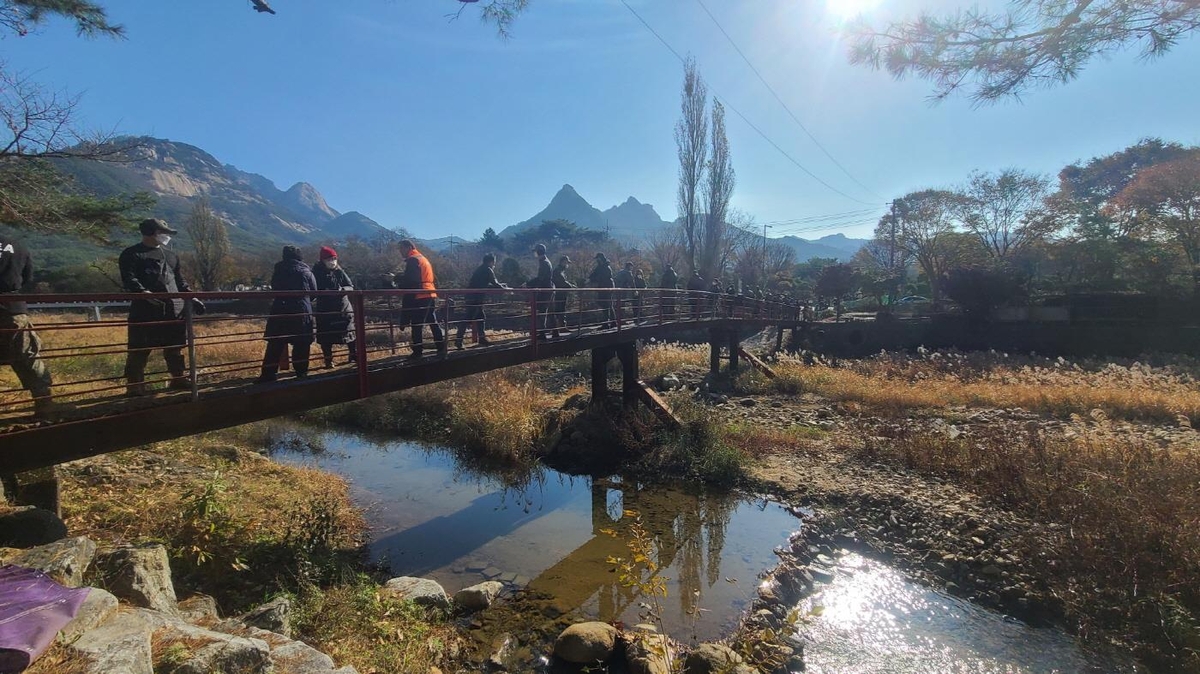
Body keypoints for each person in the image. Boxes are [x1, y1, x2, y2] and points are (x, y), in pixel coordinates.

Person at [119, 218, 195, 396]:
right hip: (145, 310)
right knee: (139, 349)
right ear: (153, 233)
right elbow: (129, 279)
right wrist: (143, 292)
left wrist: (190, 295)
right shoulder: (132, 254)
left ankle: (178, 378)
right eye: (164, 232)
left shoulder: (171, 255)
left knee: (175, 347)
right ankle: (135, 385)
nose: (167, 236)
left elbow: (179, 280)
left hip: (174, 308)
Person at [0, 235, 53, 417]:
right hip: (13, 308)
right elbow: (28, 276)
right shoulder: (17, 245)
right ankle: (43, 400)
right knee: (27, 355)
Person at [256, 246, 316, 382]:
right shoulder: (306, 271)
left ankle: (268, 374)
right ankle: (301, 372)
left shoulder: (279, 270)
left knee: (275, 343)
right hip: (301, 309)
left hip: (280, 308)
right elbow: (313, 292)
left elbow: (275, 287)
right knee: (302, 343)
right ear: (300, 257)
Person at [393, 239, 445, 360]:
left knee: (417, 324)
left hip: (420, 295)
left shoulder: (413, 260)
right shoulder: (422, 258)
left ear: (408, 247)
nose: (400, 252)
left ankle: (417, 351)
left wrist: (396, 282)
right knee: (432, 321)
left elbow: (411, 281)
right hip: (430, 292)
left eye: (401, 249)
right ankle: (441, 346)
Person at [312, 246, 356, 368]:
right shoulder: (316, 273)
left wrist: (342, 289)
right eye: (329, 259)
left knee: (349, 332)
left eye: (334, 258)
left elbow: (350, 286)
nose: (332, 261)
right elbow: (313, 289)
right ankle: (328, 360)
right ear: (323, 260)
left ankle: (353, 354)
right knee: (326, 336)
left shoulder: (339, 271)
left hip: (343, 307)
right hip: (326, 309)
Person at [456, 252, 506, 349]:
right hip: (475, 298)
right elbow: (494, 283)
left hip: (472, 296)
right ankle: (459, 341)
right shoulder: (488, 270)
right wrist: (504, 289)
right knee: (468, 318)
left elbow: (485, 284)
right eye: (494, 262)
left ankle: (481, 338)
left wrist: (501, 286)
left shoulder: (481, 269)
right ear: (491, 261)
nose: (494, 264)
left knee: (480, 317)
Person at [526, 243, 555, 339]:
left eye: (535, 252)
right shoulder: (545, 261)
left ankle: (542, 334)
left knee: (543, 310)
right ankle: (555, 332)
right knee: (550, 311)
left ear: (538, 252)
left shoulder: (544, 263)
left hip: (545, 289)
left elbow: (540, 278)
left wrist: (528, 284)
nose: (534, 254)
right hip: (549, 288)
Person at [551, 255, 575, 336]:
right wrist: (571, 286)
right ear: (562, 262)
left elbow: (564, 281)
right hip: (559, 293)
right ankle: (559, 328)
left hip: (562, 293)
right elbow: (562, 281)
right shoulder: (558, 271)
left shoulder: (561, 270)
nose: (567, 264)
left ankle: (561, 326)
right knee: (559, 309)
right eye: (566, 262)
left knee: (561, 309)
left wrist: (570, 285)